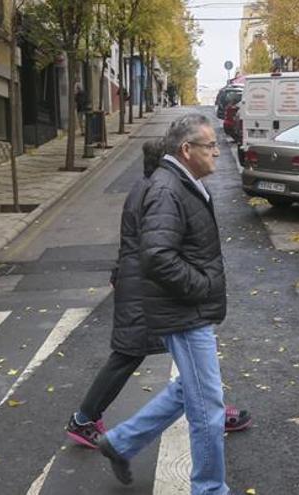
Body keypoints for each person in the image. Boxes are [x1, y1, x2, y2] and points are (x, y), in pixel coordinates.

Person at [66, 140, 251, 450]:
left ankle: (212, 410)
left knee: (188, 352)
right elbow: (158, 249)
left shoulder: (149, 187)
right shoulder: (159, 191)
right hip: (147, 288)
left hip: (142, 285)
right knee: (134, 353)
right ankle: (84, 419)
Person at [97, 114, 229, 494]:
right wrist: (201, 286)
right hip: (184, 312)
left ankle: (120, 442)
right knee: (208, 408)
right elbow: (157, 256)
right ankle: (209, 489)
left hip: (187, 309)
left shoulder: (180, 183)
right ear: (187, 150)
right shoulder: (168, 189)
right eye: (209, 145)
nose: (217, 151)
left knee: (189, 391)